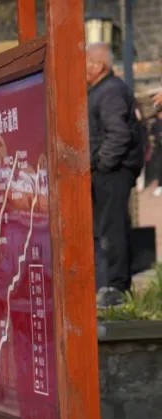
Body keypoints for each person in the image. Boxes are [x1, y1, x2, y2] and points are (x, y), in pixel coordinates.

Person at [86, 43, 146, 308]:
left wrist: (102, 163)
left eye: (84, 63)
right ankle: (107, 284)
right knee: (104, 228)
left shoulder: (109, 91)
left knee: (112, 229)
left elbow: (118, 134)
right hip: (107, 170)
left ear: (98, 65)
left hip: (113, 171)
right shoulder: (100, 91)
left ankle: (115, 288)